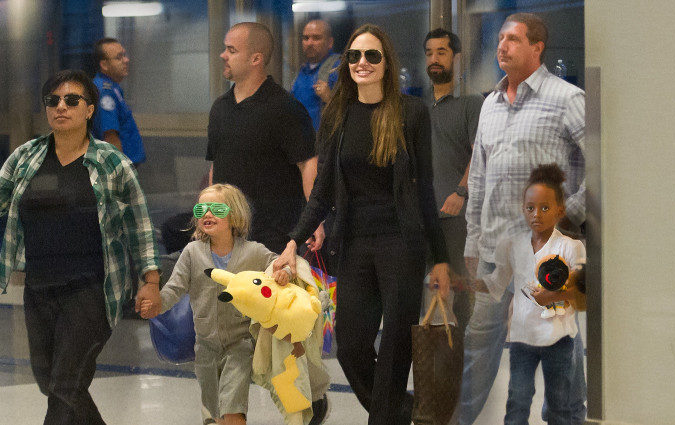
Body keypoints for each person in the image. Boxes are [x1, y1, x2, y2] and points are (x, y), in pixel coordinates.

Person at [0, 69, 160, 425]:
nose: (61, 107)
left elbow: (138, 225)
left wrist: (151, 281)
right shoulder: (27, 156)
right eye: (53, 101)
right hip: (39, 286)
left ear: (90, 109)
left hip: (92, 288)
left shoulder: (112, 163)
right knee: (52, 381)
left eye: (72, 100)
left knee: (65, 384)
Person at [273, 24, 452, 425]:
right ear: (346, 64)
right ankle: (400, 413)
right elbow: (321, 191)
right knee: (351, 346)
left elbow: (424, 190)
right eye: (354, 56)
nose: (362, 63)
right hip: (352, 244)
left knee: (394, 345)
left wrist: (439, 257)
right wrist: (293, 241)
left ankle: (384, 419)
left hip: (402, 244)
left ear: (387, 64)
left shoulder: (411, 113)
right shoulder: (337, 115)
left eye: (372, 56)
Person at [460, 13, 587, 425]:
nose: (502, 46)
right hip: (496, 255)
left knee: (560, 351)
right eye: (499, 38)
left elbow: (601, 166)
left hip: (548, 258)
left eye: (513, 39)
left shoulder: (567, 98)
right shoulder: (490, 105)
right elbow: (478, 177)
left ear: (538, 47)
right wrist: (471, 242)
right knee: (476, 352)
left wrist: (571, 217)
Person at [142, 183, 290, 425]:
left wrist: (282, 272)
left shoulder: (253, 252)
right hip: (205, 348)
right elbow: (174, 288)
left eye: (216, 208)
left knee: (233, 411)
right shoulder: (191, 253)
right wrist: (158, 305)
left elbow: (278, 264)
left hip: (239, 346)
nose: (207, 214)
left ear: (235, 215)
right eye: (201, 210)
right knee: (214, 416)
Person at [469, 163, 585, 425]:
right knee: (517, 402)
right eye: (530, 208)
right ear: (523, 210)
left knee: (559, 405)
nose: (536, 215)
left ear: (560, 211)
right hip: (523, 341)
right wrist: (471, 284)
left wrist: (552, 296)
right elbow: (498, 283)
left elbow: (579, 293)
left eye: (545, 208)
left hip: (559, 340)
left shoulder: (571, 247)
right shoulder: (513, 246)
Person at [207, 22, 321, 255]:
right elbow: (215, 167)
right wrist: (209, 210)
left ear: (256, 59)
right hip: (228, 234)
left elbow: (308, 163)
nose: (223, 55)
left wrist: (314, 220)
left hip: (272, 238)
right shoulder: (220, 108)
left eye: (231, 50)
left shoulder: (285, 107)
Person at [422, 28, 484, 332]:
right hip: (422, 217)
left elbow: (480, 154)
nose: (435, 59)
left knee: (458, 292)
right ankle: (433, 367)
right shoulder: (417, 107)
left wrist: (461, 191)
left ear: (456, 58)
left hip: (456, 217)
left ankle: (461, 363)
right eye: (430, 53)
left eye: (442, 52)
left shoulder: (471, 103)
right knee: (427, 293)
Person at [92, 38, 146, 166]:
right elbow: (110, 135)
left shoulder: (113, 87)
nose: (126, 60)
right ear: (104, 65)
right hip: (119, 166)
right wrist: (119, 173)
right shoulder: (104, 91)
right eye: (119, 57)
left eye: (124, 55)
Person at [291, 19, 340, 132]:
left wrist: (330, 99)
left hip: (323, 143)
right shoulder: (302, 70)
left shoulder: (338, 68)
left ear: (330, 42)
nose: (309, 43)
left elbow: (350, 112)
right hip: (300, 141)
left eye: (316, 38)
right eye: (306, 38)